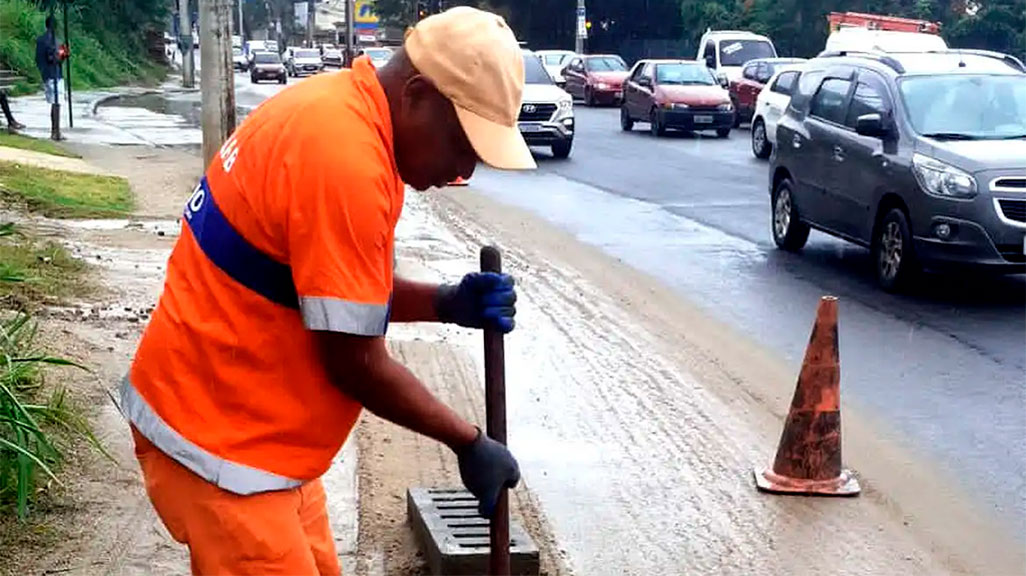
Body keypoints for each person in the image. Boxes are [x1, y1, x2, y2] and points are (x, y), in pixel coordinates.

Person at [119, 6, 535, 574]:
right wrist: (466, 442)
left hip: (261, 438)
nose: (463, 169)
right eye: (463, 145)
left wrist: (443, 302)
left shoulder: (344, 114)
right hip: (222, 444)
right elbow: (354, 362)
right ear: (417, 94)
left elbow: (331, 289)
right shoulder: (345, 161)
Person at [34, 15, 63, 141]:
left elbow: (39, 58)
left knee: (54, 102)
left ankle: (56, 130)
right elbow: (53, 58)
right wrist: (61, 55)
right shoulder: (52, 41)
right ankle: (55, 131)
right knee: (56, 102)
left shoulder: (41, 40)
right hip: (54, 73)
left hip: (47, 73)